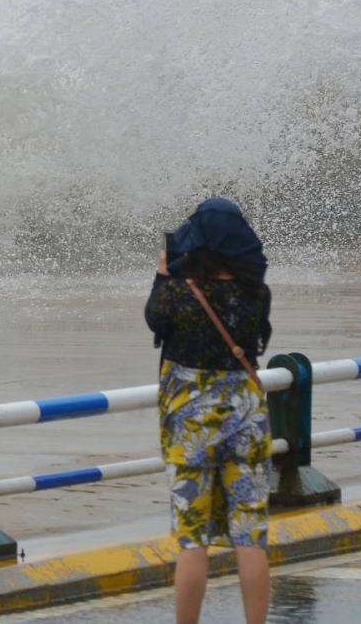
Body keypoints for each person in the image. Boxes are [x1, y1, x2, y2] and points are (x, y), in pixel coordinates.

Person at [146, 197, 272, 624]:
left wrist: (163, 276)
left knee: (192, 536)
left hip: (190, 417)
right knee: (250, 534)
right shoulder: (255, 293)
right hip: (246, 414)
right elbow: (257, 344)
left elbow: (154, 322)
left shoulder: (180, 293)